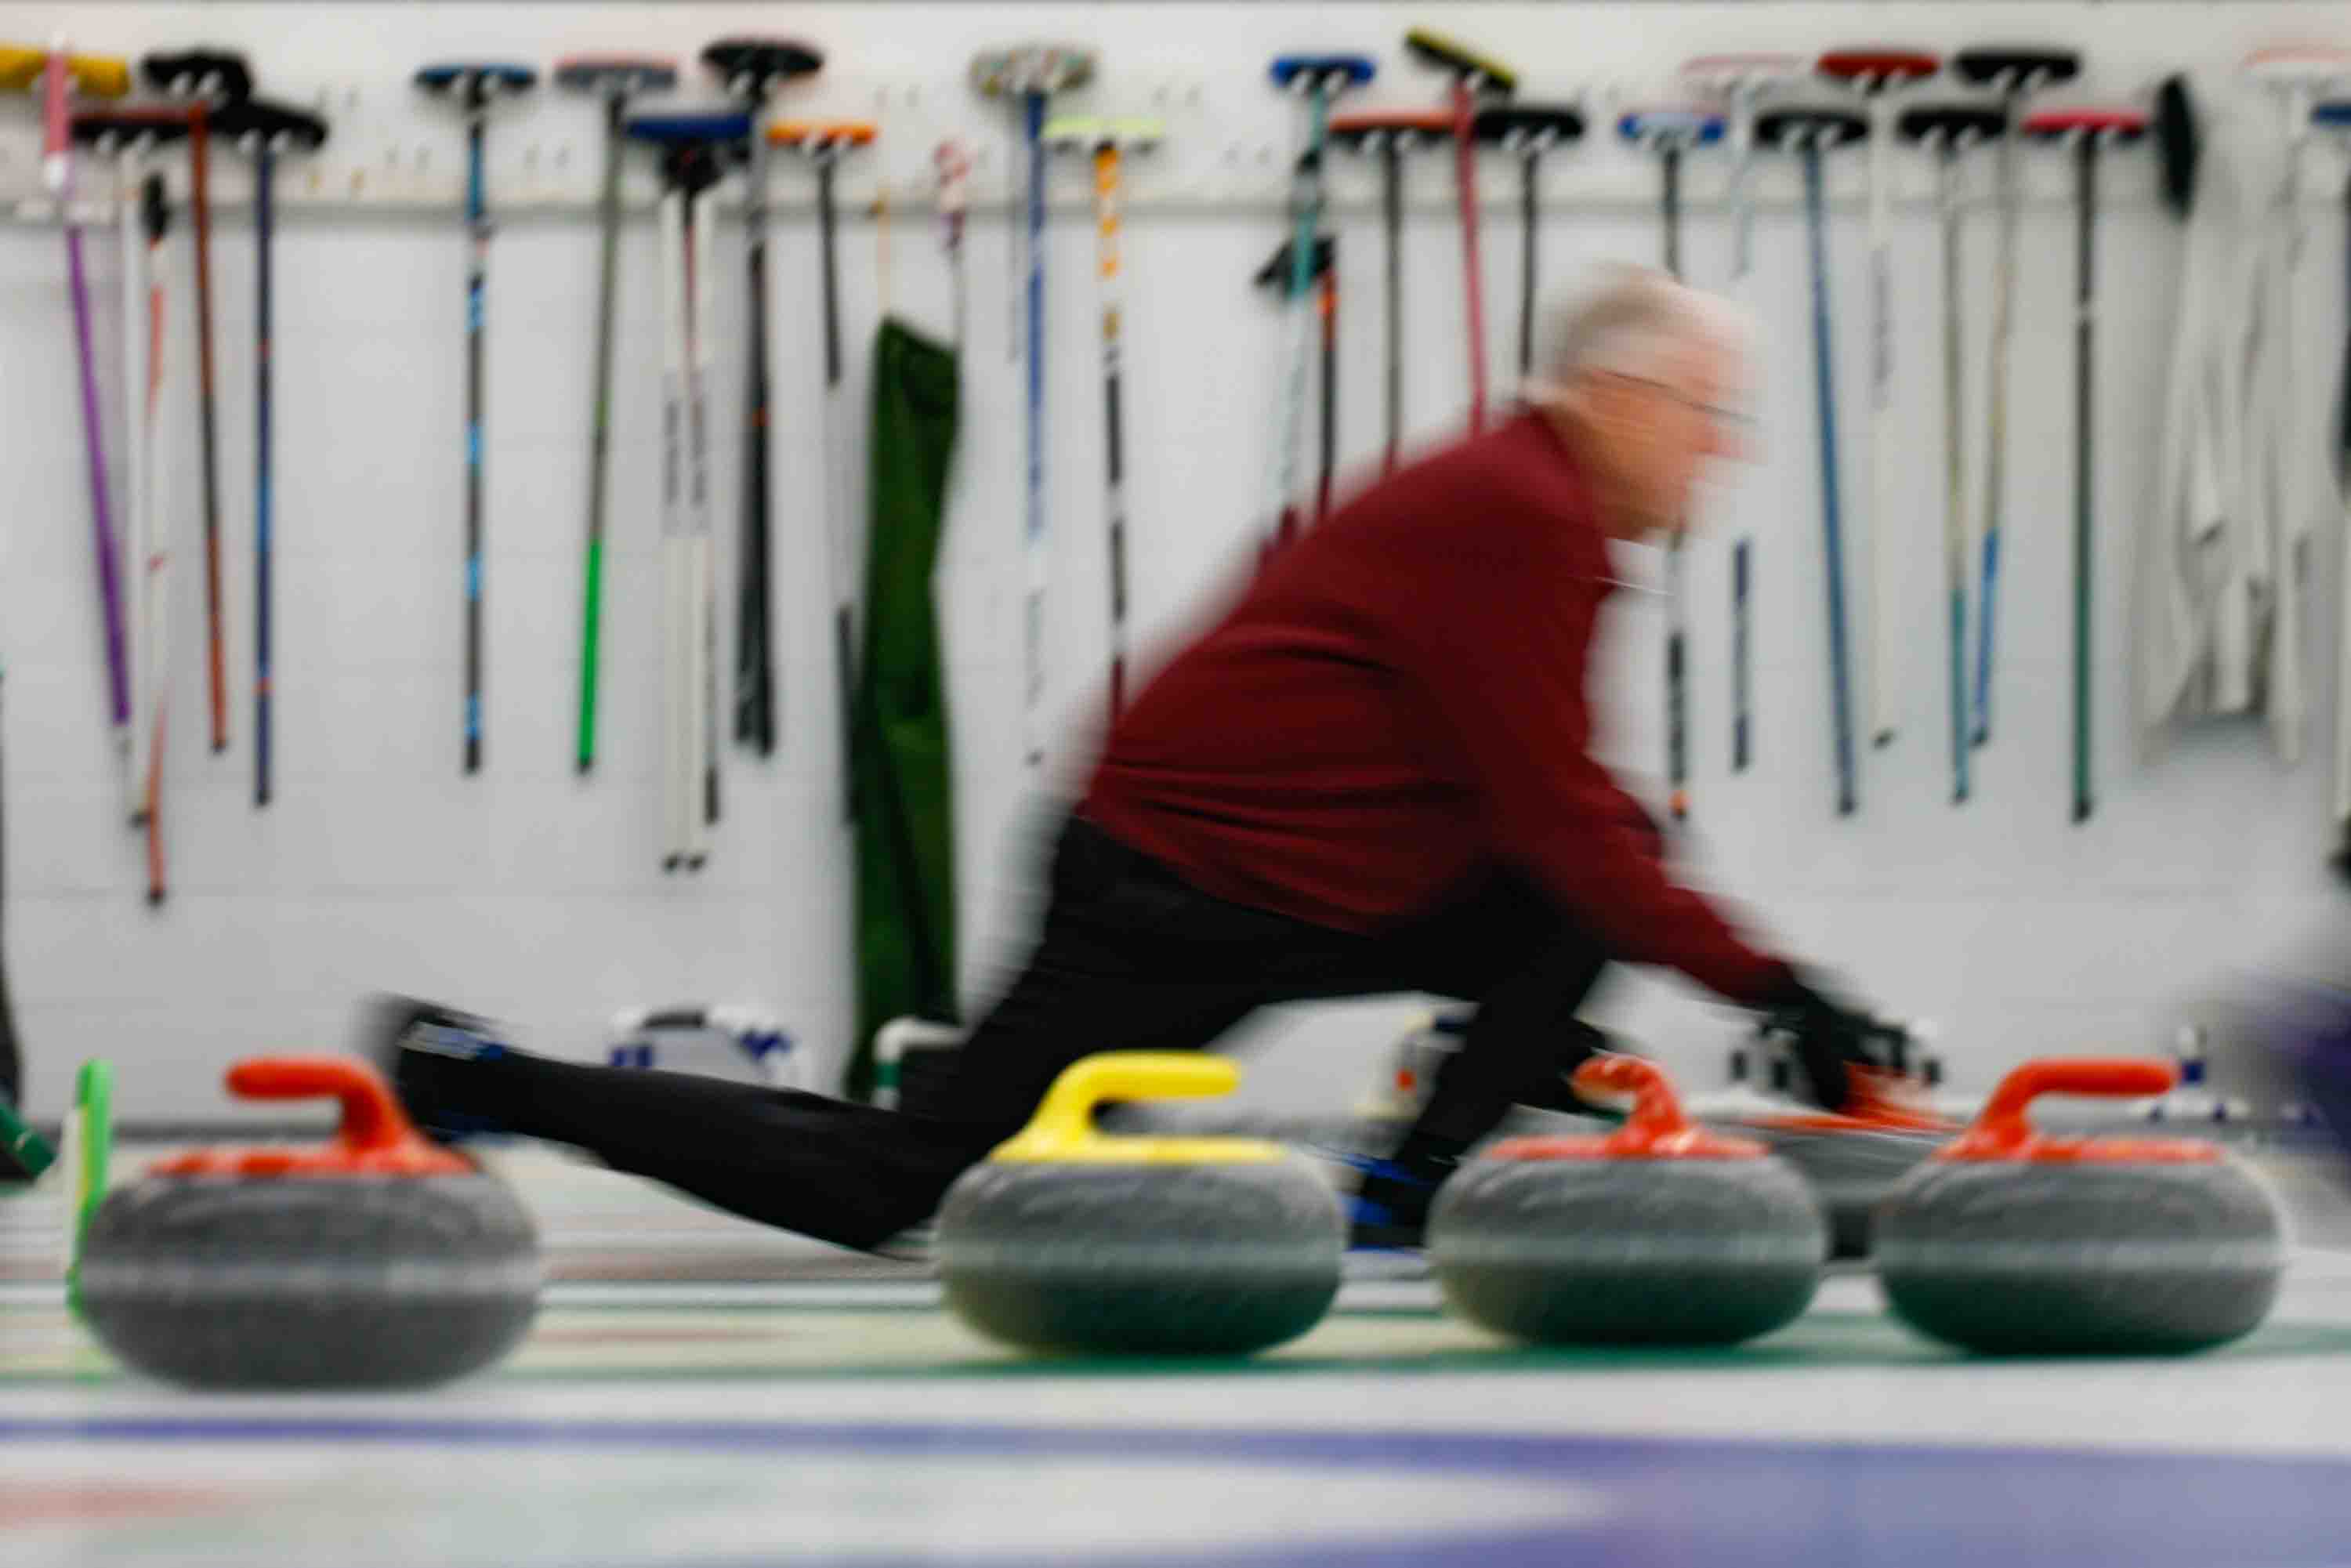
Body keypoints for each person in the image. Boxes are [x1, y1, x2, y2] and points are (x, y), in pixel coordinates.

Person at [380, 265, 1887, 1252]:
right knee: (906, 1181)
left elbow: (1553, 814)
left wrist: (1705, 987)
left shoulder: (1522, 500)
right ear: (1620, 398)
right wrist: (1779, 988)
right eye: (1711, 417)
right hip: (1174, 892)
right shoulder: (1523, 512)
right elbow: (1556, 815)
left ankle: (1414, 1177)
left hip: (1280, 879)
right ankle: (484, 1076)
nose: (1723, 451)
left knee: (1581, 890)